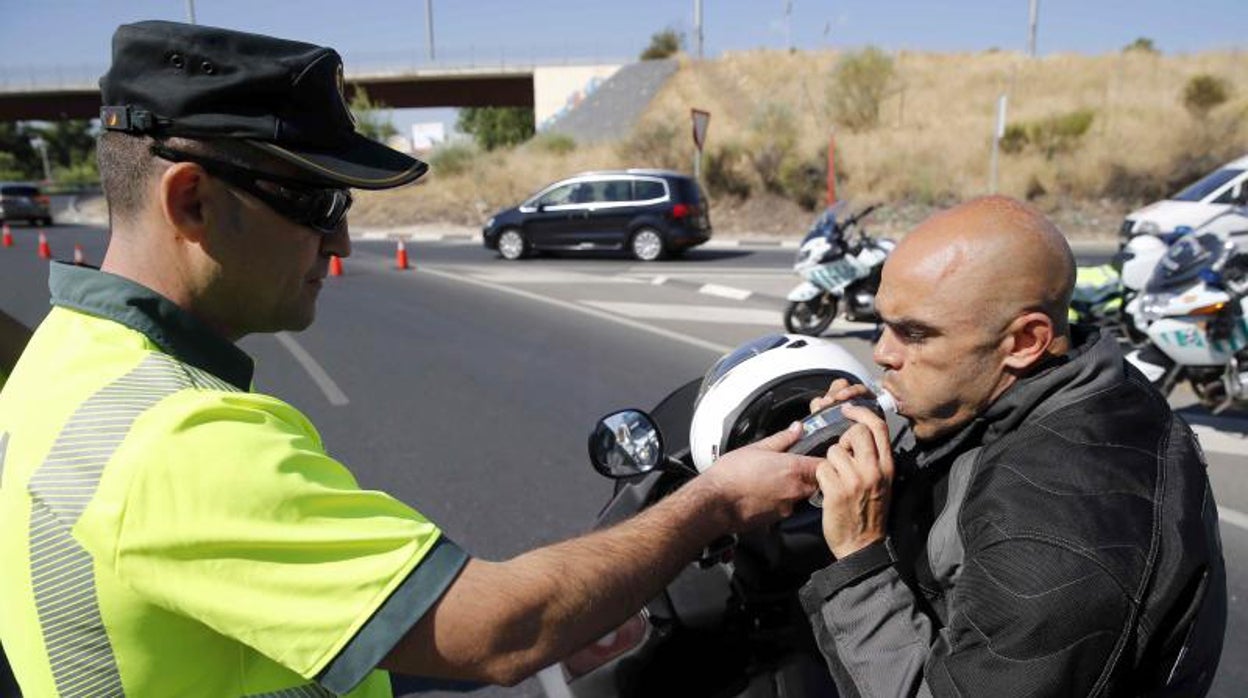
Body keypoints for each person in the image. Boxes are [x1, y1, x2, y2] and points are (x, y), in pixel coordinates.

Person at [0, 21, 825, 698]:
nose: (342, 241)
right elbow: (500, 633)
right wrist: (715, 501)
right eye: (317, 200)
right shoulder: (179, 439)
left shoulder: (67, 357)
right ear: (192, 200)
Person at [800, 195, 1227, 696]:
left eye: (915, 333)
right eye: (885, 323)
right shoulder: (1080, 377)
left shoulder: (1053, 543)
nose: (881, 352)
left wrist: (858, 557)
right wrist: (870, 444)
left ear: (1026, 341)